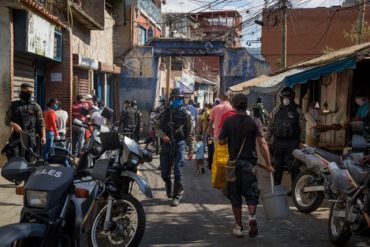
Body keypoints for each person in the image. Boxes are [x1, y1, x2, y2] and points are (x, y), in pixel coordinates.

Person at [219, 93, 274, 238]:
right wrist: (269, 165)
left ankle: (238, 227)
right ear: (246, 105)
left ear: (234, 105)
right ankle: (252, 217)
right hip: (249, 165)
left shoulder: (228, 121)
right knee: (251, 194)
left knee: (235, 196)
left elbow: (221, 141)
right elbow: (262, 144)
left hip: (233, 165)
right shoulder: (255, 122)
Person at [157, 88, 193, 206]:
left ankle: (176, 195)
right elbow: (156, 126)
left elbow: (189, 134)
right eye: (176, 98)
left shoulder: (186, 114)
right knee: (164, 173)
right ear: (171, 99)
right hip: (167, 144)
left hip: (179, 143)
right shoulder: (164, 112)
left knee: (178, 171)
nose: (178, 100)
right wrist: (162, 135)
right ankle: (168, 184)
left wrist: (191, 150)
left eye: (180, 99)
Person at [267, 87, 305, 193]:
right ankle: (277, 187)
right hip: (278, 142)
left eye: (288, 97)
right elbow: (271, 125)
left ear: (292, 97)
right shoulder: (276, 110)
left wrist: (302, 141)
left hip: (292, 142)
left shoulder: (298, 110)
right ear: (281, 97)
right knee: (277, 165)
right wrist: (267, 139)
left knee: (293, 166)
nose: (286, 99)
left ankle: (294, 189)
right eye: (284, 97)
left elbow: (302, 126)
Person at [4, 83, 46, 161]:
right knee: (15, 160)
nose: (29, 94)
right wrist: (14, 125)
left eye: (30, 92)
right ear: (21, 91)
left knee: (30, 161)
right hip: (16, 137)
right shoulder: (13, 105)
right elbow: (7, 120)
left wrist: (43, 136)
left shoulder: (35, 106)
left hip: (31, 138)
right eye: (26, 92)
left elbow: (41, 122)